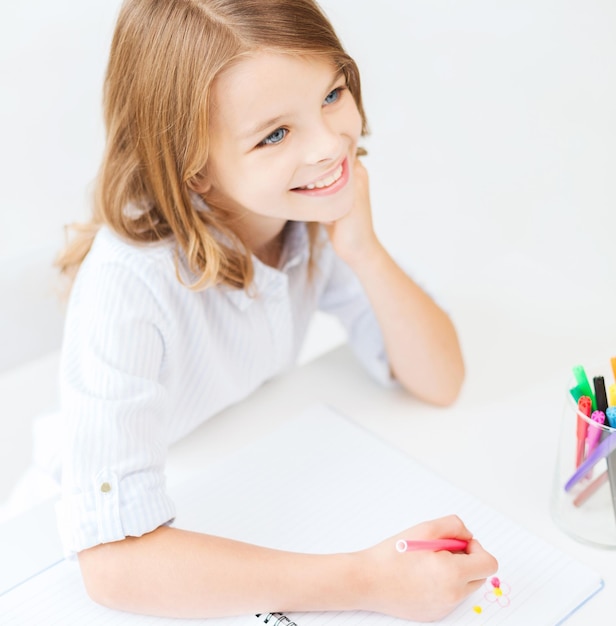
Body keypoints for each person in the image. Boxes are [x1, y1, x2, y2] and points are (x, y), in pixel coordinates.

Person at [51, 0, 497, 621]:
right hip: (100, 496)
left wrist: (363, 250)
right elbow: (111, 564)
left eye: (332, 93)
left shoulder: (305, 211)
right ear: (196, 171)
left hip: (243, 446)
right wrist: (367, 581)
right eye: (276, 134)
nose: (329, 144)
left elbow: (440, 380)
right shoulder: (127, 283)